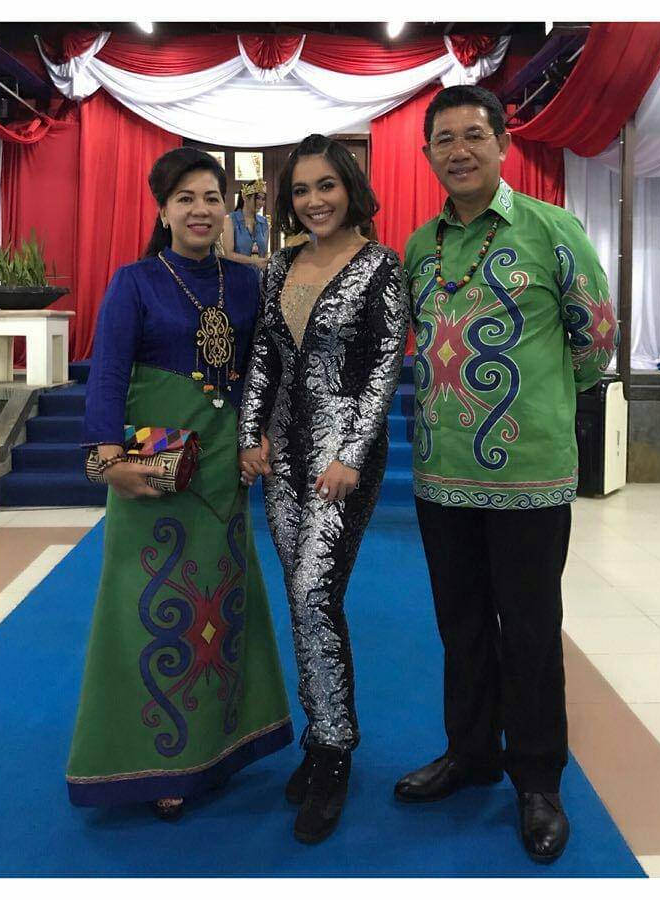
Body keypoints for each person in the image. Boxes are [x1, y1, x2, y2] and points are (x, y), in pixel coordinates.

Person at [395, 85, 619, 863]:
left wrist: (542, 405)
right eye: (444, 139)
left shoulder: (552, 230)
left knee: (528, 629)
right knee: (459, 624)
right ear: (427, 154)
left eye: (473, 136)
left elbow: (596, 338)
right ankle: (470, 754)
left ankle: (537, 779)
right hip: (440, 474)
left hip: (529, 475)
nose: (459, 151)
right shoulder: (419, 248)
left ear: (502, 144)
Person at [67, 148, 293, 820]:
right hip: (154, 472)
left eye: (211, 197)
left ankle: (220, 745)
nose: (201, 210)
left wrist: (261, 435)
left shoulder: (246, 284)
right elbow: (108, 373)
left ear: (228, 207)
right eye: (186, 198)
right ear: (162, 210)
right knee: (150, 607)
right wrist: (107, 458)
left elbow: (265, 370)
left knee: (217, 609)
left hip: (223, 470)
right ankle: (158, 760)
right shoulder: (134, 282)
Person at [238, 134, 408, 845]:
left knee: (315, 594)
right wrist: (251, 434)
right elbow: (264, 355)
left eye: (326, 186)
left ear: (350, 189)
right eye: (302, 189)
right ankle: (319, 735)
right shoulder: (280, 266)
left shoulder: (381, 267)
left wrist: (351, 455)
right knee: (301, 599)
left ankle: (336, 749)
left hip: (342, 461)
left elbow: (385, 368)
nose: (314, 201)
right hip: (284, 456)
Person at [222, 179, 270, 269]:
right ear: (245, 197)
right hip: (236, 273)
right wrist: (254, 261)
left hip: (258, 275)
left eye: (263, 199)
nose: (261, 202)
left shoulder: (264, 222)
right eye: (257, 198)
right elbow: (228, 254)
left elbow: (264, 253)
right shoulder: (230, 220)